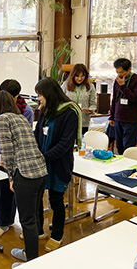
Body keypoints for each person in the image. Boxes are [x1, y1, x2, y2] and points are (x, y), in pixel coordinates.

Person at [0, 90, 47, 268]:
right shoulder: (21, 117)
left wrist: (11, 178)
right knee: (34, 218)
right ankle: (30, 254)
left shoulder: (2, 120)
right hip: (41, 171)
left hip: (25, 175)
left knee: (27, 221)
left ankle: (31, 262)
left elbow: (6, 153)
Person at [34, 77, 82, 253]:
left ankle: (56, 235)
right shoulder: (46, 110)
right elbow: (38, 133)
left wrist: (43, 157)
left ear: (49, 94)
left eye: (40, 95)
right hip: (42, 163)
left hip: (59, 165)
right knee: (37, 197)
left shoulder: (69, 113)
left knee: (56, 201)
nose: (39, 98)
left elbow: (65, 145)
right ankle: (38, 231)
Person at [0, 79, 35, 239]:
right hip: (0, 152)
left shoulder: (25, 111)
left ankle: (4, 222)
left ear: (15, 96)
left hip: (14, 157)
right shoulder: (2, 110)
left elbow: (20, 137)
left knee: (8, 189)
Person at [109, 58, 137, 155]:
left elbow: (135, 99)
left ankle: (129, 168)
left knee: (129, 149)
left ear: (129, 69)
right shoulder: (117, 80)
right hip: (118, 118)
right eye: (117, 71)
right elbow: (115, 98)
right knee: (119, 147)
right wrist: (112, 116)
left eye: (121, 72)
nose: (119, 74)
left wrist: (123, 86)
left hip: (131, 120)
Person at [61, 63, 97, 134]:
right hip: (68, 120)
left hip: (84, 121)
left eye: (82, 76)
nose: (79, 79)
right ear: (73, 75)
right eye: (77, 76)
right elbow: (60, 101)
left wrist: (90, 109)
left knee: (82, 142)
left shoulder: (90, 86)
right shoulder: (65, 85)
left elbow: (93, 104)